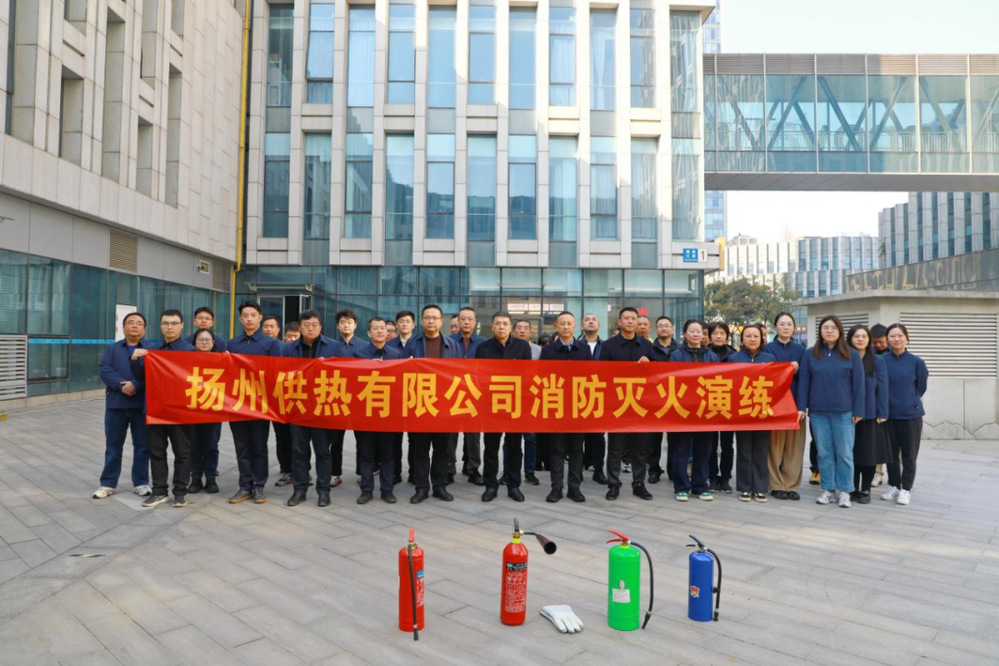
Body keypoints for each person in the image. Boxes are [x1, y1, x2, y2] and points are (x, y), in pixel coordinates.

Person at [129, 309, 196, 508]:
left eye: (174, 323)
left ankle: (180, 492)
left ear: (182, 325)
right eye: (165, 323)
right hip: (155, 409)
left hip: (180, 411)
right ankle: (159, 491)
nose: (169, 327)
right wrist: (135, 360)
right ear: (160, 326)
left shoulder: (190, 351)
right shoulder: (151, 349)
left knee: (182, 453)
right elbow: (140, 377)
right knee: (156, 452)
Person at [797, 315, 865, 508]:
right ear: (820, 331)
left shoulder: (851, 354)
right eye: (825, 327)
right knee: (824, 453)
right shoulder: (810, 354)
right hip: (818, 412)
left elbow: (859, 384)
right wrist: (802, 407)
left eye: (833, 327)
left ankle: (845, 491)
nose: (829, 331)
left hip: (844, 412)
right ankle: (828, 489)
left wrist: (859, 410)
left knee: (844, 453)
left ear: (840, 331)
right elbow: (804, 381)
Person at [283, 310, 342, 508]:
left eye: (314, 325)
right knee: (299, 452)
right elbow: (281, 374)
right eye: (306, 325)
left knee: (323, 452)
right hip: (298, 407)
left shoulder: (333, 347)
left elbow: (346, 371)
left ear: (321, 327)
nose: (310, 328)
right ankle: (299, 490)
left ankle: (323, 491)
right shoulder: (289, 348)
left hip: (322, 408)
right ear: (300, 328)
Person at [227, 301, 282, 504]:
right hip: (237, 403)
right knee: (241, 446)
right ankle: (244, 486)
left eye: (253, 315)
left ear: (260, 317)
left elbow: (276, 373)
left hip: (261, 404)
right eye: (245, 315)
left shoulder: (271, 344)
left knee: (259, 446)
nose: (249, 318)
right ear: (240, 319)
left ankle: (259, 486)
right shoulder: (232, 344)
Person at [94, 312, 152, 499]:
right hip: (116, 405)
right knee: (113, 447)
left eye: (139, 323)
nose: (134, 325)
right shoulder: (112, 348)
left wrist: (136, 385)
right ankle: (108, 483)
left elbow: (155, 374)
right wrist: (122, 386)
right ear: (123, 327)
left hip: (141, 405)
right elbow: (104, 369)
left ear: (144, 329)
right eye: (130, 322)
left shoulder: (150, 349)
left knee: (142, 447)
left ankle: (141, 482)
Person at [476, 312, 533, 502]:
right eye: (498, 323)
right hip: (491, 407)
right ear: (492, 326)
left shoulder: (522, 346)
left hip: (515, 406)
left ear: (511, 327)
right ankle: (490, 486)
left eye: (505, 324)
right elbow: (477, 376)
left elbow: (528, 375)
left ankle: (513, 486)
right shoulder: (483, 348)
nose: (501, 327)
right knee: (490, 448)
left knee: (515, 448)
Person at [600, 307, 655, 501]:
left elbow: (656, 375)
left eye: (633, 318)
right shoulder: (608, 346)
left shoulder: (647, 346)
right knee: (615, 448)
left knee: (640, 448)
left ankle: (639, 483)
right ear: (619, 322)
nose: (631, 321)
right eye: (627, 318)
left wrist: (650, 364)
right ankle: (613, 484)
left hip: (640, 404)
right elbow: (602, 374)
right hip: (618, 404)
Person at [407, 304, 461, 503]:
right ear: (422, 320)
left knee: (442, 450)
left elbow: (459, 373)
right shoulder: (412, 344)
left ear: (441, 321)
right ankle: (421, 488)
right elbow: (401, 374)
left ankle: (440, 487)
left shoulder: (452, 345)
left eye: (435, 318)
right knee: (420, 451)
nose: (431, 321)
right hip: (420, 404)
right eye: (427, 317)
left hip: (444, 407)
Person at [540, 311, 591, 502]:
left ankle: (574, 487)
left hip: (578, 407)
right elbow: (542, 378)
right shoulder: (548, 351)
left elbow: (591, 377)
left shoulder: (584, 350)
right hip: (557, 406)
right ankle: (556, 487)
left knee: (577, 449)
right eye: (562, 323)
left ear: (575, 326)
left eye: (569, 323)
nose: (566, 327)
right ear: (556, 326)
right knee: (557, 449)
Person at [669, 320, 720, 502]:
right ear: (684, 334)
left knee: (703, 450)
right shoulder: (676, 355)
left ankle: (700, 486)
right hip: (682, 409)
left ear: (703, 335)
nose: (696, 334)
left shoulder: (712, 356)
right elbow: (673, 380)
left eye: (699, 331)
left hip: (705, 410)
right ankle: (681, 487)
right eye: (692, 331)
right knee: (681, 449)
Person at [354, 317, 403, 504]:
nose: (380, 331)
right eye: (376, 328)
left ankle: (387, 490)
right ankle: (366, 490)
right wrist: (368, 368)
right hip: (366, 413)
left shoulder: (396, 355)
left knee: (388, 454)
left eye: (383, 328)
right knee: (366, 454)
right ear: (369, 333)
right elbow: (353, 383)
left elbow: (400, 382)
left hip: (388, 413)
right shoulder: (359, 355)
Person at [881, 323, 929, 506]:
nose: (896, 339)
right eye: (892, 336)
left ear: (906, 338)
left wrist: (909, 401)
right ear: (887, 339)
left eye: (900, 335)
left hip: (911, 415)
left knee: (909, 454)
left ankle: (906, 489)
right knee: (890, 454)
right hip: (888, 415)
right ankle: (894, 485)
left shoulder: (917, 362)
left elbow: (921, 387)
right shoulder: (881, 361)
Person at [728, 324, 776, 502]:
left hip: (763, 411)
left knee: (761, 451)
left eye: (756, 336)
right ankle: (744, 487)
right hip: (742, 412)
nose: (752, 339)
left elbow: (776, 383)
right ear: (742, 339)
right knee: (744, 450)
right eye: (748, 336)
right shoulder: (734, 359)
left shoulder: (770, 358)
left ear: (762, 339)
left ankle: (760, 488)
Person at [764, 312, 808, 501]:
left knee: (794, 447)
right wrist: (784, 368)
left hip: (795, 404)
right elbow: (766, 374)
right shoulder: (767, 348)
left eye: (789, 324)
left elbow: (805, 378)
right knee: (774, 446)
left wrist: (802, 406)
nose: (786, 327)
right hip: (774, 404)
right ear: (775, 327)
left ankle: (791, 485)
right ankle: (776, 484)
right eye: (782, 324)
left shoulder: (802, 350)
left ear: (794, 328)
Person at [846, 325, 890, 505]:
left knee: (868, 454)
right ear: (850, 339)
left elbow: (883, 388)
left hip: (871, 414)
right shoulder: (845, 358)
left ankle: (865, 489)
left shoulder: (878, 361)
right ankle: (852, 488)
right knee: (851, 453)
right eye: (856, 336)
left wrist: (883, 412)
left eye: (864, 336)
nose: (860, 339)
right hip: (848, 414)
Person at [449, 307, 485, 485]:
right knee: (450, 435)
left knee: (473, 436)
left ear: (475, 322)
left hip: (474, 395)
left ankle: (472, 469)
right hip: (452, 394)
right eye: (463, 319)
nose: (466, 322)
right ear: (458, 321)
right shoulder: (448, 342)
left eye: (470, 319)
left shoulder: (483, 343)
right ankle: (449, 468)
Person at [188, 329, 224, 494]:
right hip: (192, 409)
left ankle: (211, 477)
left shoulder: (221, 359)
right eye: (200, 339)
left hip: (213, 409)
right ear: (195, 343)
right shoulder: (186, 359)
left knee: (211, 445)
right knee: (194, 445)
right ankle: (195, 478)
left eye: (207, 339)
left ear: (213, 343)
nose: (204, 342)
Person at [707, 322, 737, 494]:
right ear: (709, 336)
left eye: (722, 333)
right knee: (710, 443)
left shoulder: (734, 355)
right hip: (708, 404)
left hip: (728, 405)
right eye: (715, 333)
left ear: (727, 336)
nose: (718, 336)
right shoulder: (704, 354)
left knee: (727, 444)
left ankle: (725, 477)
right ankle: (712, 477)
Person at [649, 316, 679, 483]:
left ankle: (673, 470)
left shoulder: (680, 350)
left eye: (667, 325)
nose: (664, 328)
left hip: (675, 397)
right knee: (654, 438)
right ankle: (654, 469)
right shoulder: (649, 349)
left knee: (674, 439)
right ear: (656, 330)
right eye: (660, 326)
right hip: (654, 398)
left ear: (672, 329)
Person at [388, 309, 416, 483]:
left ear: (413, 324)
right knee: (394, 440)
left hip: (415, 396)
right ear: (397, 325)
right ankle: (395, 473)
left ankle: (414, 473)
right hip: (395, 397)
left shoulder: (419, 343)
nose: (404, 324)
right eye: (401, 321)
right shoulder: (389, 345)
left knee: (415, 439)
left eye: (408, 321)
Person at [578, 313, 608, 484]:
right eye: (587, 320)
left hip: (599, 395)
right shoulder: (575, 346)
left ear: (599, 326)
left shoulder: (607, 346)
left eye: (594, 319)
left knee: (598, 436)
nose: (590, 322)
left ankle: (598, 469)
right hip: (578, 395)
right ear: (581, 326)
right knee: (578, 436)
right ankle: (578, 469)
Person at [513, 319, 542, 486]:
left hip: (531, 399)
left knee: (530, 438)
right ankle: (509, 472)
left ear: (530, 332)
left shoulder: (538, 350)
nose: (522, 331)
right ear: (513, 331)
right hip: (512, 399)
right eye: (519, 328)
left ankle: (530, 472)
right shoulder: (509, 348)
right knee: (511, 440)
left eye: (526, 328)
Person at [334, 309, 360, 486]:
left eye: (349, 322)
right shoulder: (331, 346)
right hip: (338, 397)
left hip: (359, 399)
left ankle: (362, 473)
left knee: (362, 440)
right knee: (335, 440)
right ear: (337, 326)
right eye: (342, 322)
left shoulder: (365, 346)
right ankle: (335, 473)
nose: (346, 325)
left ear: (355, 325)